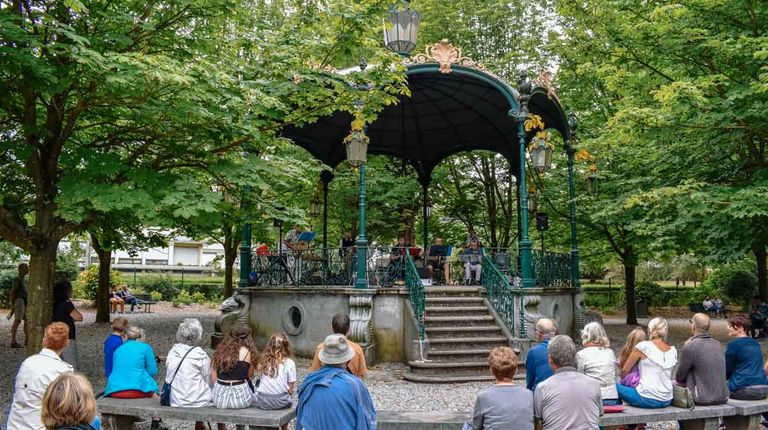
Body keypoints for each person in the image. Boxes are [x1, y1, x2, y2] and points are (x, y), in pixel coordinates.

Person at [296, 334, 376, 430]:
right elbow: (367, 420)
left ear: (322, 359)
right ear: (348, 360)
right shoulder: (356, 386)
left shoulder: (308, 382)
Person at [6, 322, 73, 430]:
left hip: (14, 424)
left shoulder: (27, 363)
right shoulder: (64, 371)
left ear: (43, 341)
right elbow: (68, 407)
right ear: (67, 343)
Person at [534, 335, 603, 430]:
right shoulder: (594, 384)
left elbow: (538, 423)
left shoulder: (543, 388)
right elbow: (598, 415)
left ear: (550, 360)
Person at [104, 326, 166, 430]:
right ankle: (156, 421)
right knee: (154, 393)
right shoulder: (145, 347)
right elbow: (153, 371)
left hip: (115, 391)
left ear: (125, 336)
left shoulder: (118, 350)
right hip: (137, 391)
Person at [463, 346, 533, 430]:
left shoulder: (484, 397)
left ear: (491, 371)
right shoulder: (529, 395)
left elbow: (476, 426)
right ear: (516, 370)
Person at [617, 317, 677, 408]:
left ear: (649, 329)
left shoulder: (643, 346)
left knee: (613, 387)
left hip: (646, 398)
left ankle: (620, 419)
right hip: (667, 399)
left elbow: (625, 370)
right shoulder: (673, 350)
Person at [165, 319, 212, 430]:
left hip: (175, 399)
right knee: (207, 389)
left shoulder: (173, 352)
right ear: (198, 335)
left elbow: (169, 372)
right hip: (199, 401)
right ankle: (202, 425)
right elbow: (208, 378)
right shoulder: (201, 355)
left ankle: (200, 425)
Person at [674, 313, 728, 406]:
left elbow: (679, 377)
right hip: (722, 396)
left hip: (701, 398)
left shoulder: (690, 346)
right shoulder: (718, 344)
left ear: (694, 325)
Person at [211, 325, 260, 419]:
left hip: (219, 399)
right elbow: (249, 375)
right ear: (248, 338)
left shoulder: (220, 351)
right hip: (240, 399)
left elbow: (214, 380)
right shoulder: (248, 353)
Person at [254, 334, 297, 425]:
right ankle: (284, 427)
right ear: (286, 347)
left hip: (262, 401)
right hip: (281, 402)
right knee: (290, 396)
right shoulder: (290, 363)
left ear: (269, 346)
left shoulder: (263, 360)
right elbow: (290, 388)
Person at [724, 314, 768, 400]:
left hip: (744, 390)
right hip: (763, 388)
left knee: (717, 390)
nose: (727, 328)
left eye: (730, 326)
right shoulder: (755, 343)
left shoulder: (733, 344)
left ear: (740, 327)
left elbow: (727, 370)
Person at [310, 313, 367, 378]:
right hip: (349, 386)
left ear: (332, 328)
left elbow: (314, 373)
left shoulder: (321, 348)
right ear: (349, 329)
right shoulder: (357, 349)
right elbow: (361, 376)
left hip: (326, 385)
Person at [577, 322, 619, 405]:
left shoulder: (581, 355)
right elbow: (615, 375)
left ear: (585, 336)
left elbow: (579, 378)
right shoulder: (610, 352)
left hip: (592, 398)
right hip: (611, 397)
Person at [52, 280, 83, 368]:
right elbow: (79, 317)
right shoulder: (66, 304)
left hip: (54, 337)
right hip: (67, 338)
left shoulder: (54, 304)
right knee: (71, 365)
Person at [526, 318, 557, 392]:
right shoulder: (564, 347)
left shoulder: (534, 352)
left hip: (541, 393)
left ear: (538, 333)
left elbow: (530, 380)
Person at [9, 262, 29, 348]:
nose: (28, 270)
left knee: (27, 320)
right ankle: (13, 341)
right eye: (26, 268)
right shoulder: (17, 279)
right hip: (19, 301)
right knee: (17, 320)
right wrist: (13, 304)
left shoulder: (23, 279)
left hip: (24, 301)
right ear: (21, 269)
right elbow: (13, 292)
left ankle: (27, 341)